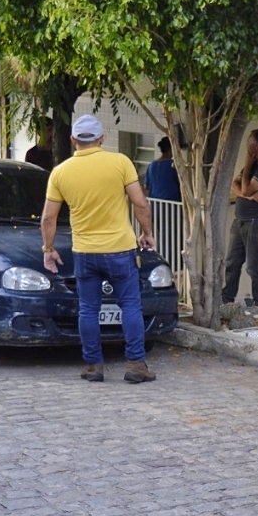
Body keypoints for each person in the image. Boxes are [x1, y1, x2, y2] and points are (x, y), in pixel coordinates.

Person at [40, 114, 157, 384]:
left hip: (84, 252)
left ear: (72, 140)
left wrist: (49, 248)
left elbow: (48, 217)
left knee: (88, 310)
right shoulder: (120, 163)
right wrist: (147, 233)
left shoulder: (60, 172)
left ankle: (94, 366)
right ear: (102, 139)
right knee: (130, 306)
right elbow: (140, 204)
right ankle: (136, 366)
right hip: (120, 249)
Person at [222, 128, 258, 311]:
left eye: (251, 144)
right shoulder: (252, 164)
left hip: (257, 221)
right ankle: (226, 298)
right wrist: (247, 196)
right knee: (232, 262)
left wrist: (247, 165)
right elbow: (235, 185)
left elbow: (245, 188)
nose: (248, 147)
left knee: (253, 265)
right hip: (240, 219)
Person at [144, 136, 181, 201]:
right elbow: (182, 184)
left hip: (154, 203)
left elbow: (147, 187)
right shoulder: (173, 165)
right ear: (170, 149)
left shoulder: (151, 165)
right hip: (172, 204)